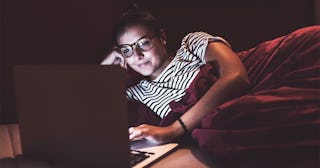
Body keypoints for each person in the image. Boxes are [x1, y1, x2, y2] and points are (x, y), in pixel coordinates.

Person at [101, 9, 250, 143]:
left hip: (241, 113)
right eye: (127, 50)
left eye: (144, 43)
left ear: (162, 37)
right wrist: (106, 64)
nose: (137, 55)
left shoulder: (190, 45)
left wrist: (173, 130)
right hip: (210, 137)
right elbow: (83, 110)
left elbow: (237, 77)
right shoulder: (135, 93)